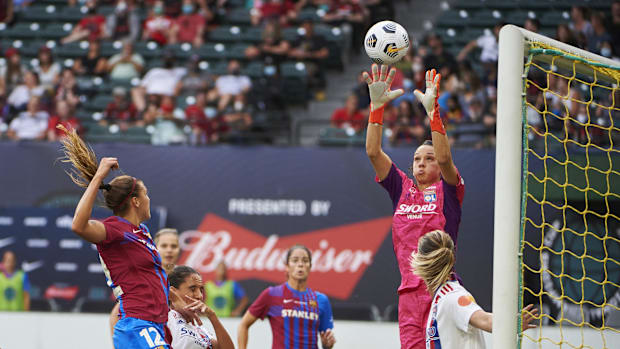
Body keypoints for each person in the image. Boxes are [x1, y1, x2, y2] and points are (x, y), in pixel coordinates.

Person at [364, 64, 465, 349]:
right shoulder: (401, 188)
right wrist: (376, 108)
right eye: (418, 159)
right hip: (408, 293)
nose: (422, 162)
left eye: (428, 158)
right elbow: (373, 152)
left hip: (441, 291)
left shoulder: (448, 189)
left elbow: (446, 160)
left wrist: (434, 114)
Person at [57, 127, 171, 348]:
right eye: (145, 193)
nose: (149, 198)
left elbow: (154, 279)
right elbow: (78, 226)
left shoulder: (143, 231)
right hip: (137, 324)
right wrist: (99, 176)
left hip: (157, 324)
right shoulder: (115, 230)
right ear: (135, 201)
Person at [410, 230, 538, 349]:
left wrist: (512, 323)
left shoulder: (453, 296)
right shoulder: (442, 297)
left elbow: (485, 319)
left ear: (421, 260)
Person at [237, 244, 336, 349]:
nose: (300, 264)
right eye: (295, 260)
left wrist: (327, 345)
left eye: (305, 260)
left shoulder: (321, 300)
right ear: (287, 266)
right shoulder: (272, 294)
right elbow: (243, 325)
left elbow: (326, 342)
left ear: (310, 266)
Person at [109, 228, 182, 337]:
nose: (169, 250)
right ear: (155, 248)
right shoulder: (145, 276)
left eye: (173, 246)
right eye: (164, 246)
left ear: (179, 249)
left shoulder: (185, 277)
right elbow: (117, 313)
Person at [167, 266, 235, 349]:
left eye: (201, 290)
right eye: (192, 289)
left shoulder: (198, 327)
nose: (200, 296)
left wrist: (212, 316)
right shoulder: (164, 318)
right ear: (173, 291)